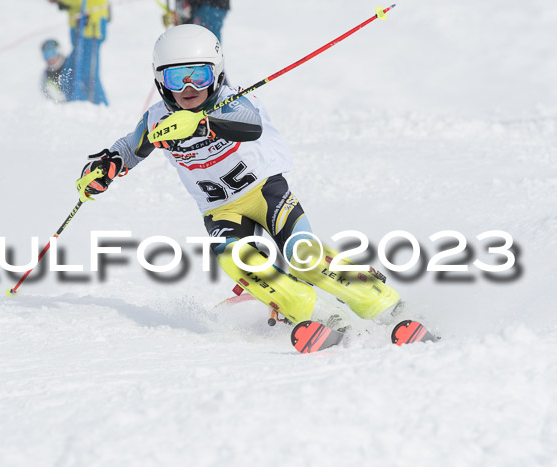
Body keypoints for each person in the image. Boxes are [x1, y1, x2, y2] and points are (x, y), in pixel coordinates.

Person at [75, 24, 400, 325]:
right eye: (177, 78)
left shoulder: (232, 100)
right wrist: (108, 166)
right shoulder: (157, 121)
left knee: (303, 255)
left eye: (199, 76)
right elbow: (131, 148)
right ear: (160, 80)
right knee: (235, 259)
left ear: (215, 74)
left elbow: (250, 125)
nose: (189, 87)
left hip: (265, 194)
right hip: (220, 211)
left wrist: (204, 123)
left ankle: (379, 300)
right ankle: (307, 311)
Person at [48, 0, 110, 105]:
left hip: (91, 31)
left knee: (88, 76)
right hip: (80, 32)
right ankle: (76, 107)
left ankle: (100, 108)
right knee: (68, 76)